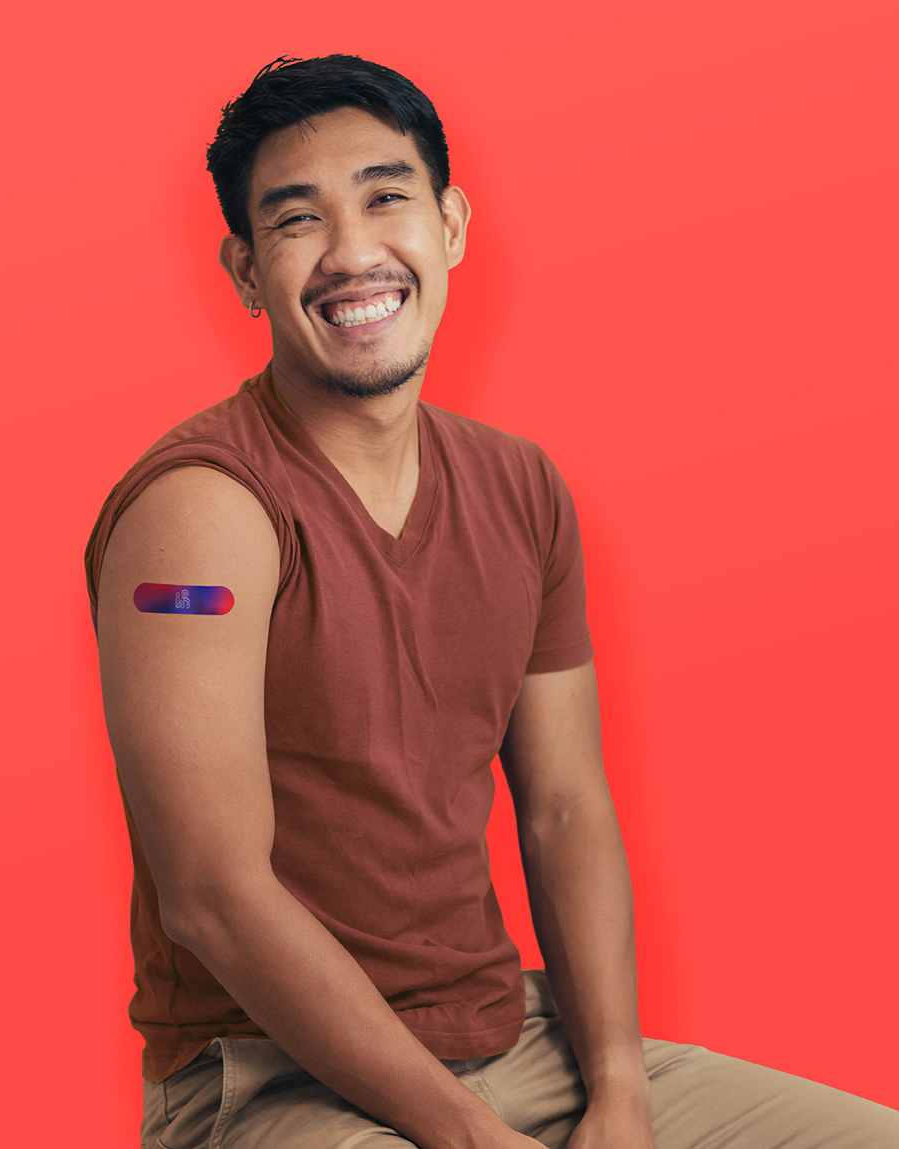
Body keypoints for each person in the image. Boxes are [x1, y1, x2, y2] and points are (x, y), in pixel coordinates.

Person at [85, 55, 897, 1149]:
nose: (354, 251)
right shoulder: (203, 512)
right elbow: (214, 893)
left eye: (386, 197)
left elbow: (564, 807)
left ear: (451, 223)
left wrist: (619, 1088)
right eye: (296, 221)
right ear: (244, 270)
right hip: (269, 1078)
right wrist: (469, 1138)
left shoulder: (521, 487)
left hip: (518, 1039)